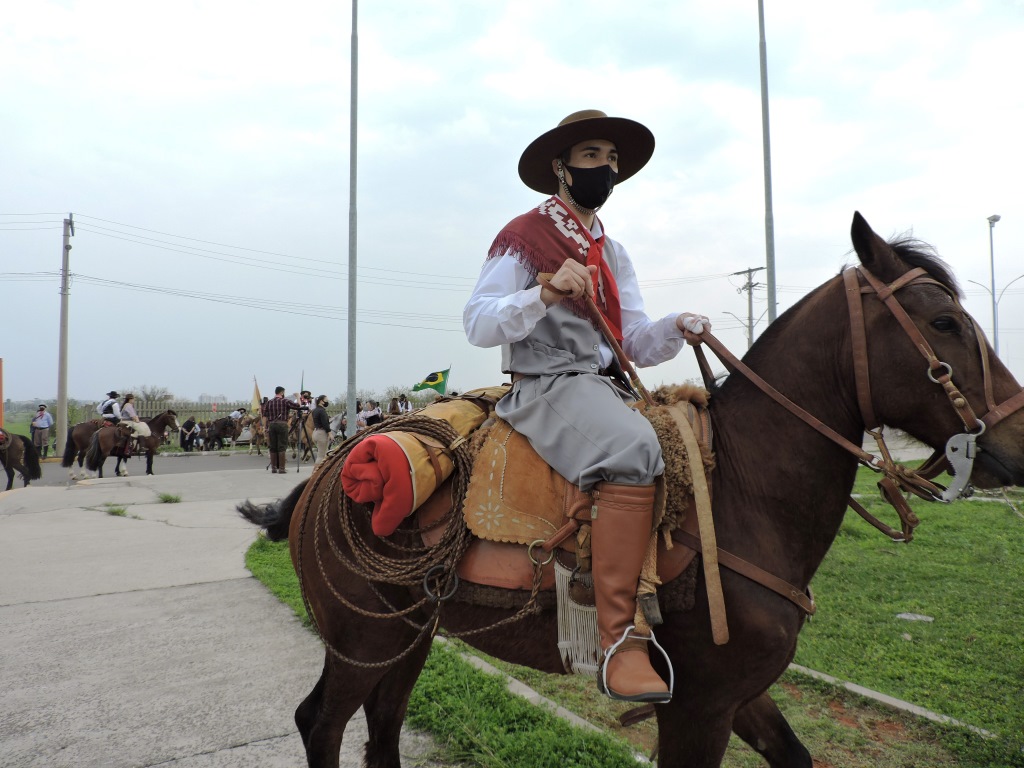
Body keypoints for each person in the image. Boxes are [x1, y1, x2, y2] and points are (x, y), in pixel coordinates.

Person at [463, 110, 710, 705]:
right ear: (561, 167)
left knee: (695, 438)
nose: (607, 168)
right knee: (635, 449)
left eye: (612, 160)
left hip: (603, 385)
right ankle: (619, 638)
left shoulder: (612, 250)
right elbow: (477, 321)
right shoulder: (524, 235)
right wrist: (543, 291)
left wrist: (677, 325)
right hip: (547, 383)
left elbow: (631, 342)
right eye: (594, 156)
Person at [261, 386, 303, 473]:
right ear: (282, 392)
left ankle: (274, 468)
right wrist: (298, 396)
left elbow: (264, 416)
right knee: (282, 446)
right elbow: (298, 406)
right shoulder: (285, 401)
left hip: (272, 425)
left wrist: (265, 427)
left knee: (273, 446)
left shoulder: (269, 402)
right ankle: (281, 468)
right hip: (282, 424)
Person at [310, 395, 333, 466]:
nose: (327, 402)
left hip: (316, 432)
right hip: (321, 433)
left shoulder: (315, 410)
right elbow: (325, 424)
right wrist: (330, 433)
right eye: (326, 400)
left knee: (321, 453)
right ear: (321, 401)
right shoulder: (322, 411)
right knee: (321, 455)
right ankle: (316, 473)